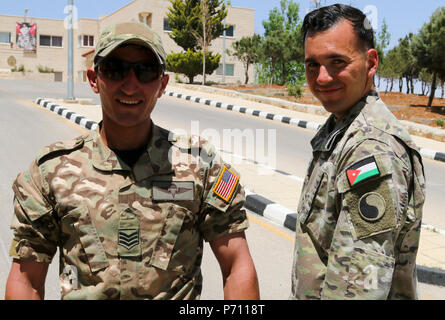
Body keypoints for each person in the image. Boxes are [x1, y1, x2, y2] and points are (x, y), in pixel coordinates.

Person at [6, 21, 259, 300]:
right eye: (115, 69)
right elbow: (26, 280)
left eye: (146, 71)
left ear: (162, 84)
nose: (130, 85)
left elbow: (236, 264)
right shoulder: (51, 172)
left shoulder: (200, 167)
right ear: (94, 78)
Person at [290, 4, 426, 300]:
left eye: (337, 62)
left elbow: (357, 288)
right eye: (312, 64)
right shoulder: (342, 129)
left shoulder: (371, 149)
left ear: (371, 62)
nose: (322, 77)